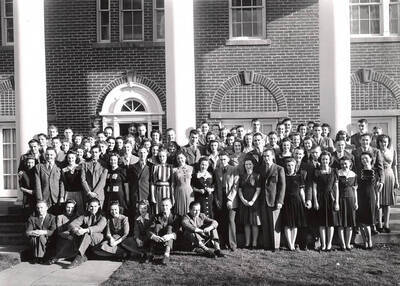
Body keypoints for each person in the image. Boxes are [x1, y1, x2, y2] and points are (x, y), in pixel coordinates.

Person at [312, 151, 340, 251]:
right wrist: (315, 201)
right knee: (322, 223)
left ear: (330, 160)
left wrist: (337, 202)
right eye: (323, 159)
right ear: (320, 160)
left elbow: (336, 188)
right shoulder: (317, 172)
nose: (325, 161)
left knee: (331, 223)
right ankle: (323, 244)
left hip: (331, 198)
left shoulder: (334, 171)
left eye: (327, 159)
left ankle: (329, 244)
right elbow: (314, 188)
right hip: (320, 198)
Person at [68, 198, 107, 268]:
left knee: (87, 234)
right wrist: (76, 230)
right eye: (91, 206)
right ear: (88, 207)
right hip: (89, 237)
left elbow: (99, 227)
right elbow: (72, 224)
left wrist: (85, 230)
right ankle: (83, 256)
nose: (93, 208)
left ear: (99, 206)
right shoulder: (85, 215)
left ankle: (78, 257)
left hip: (100, 238)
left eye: (95, 206)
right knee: (77, 233)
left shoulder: (103, 216)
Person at [259, 149, 286, 251]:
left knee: (275, 224)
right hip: (263, 200)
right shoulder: (261, 168)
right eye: (264, 156)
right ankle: (267, 245)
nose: (266, 158)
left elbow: (282, 186)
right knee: (265, 223)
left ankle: (275, 246)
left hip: (274, 200)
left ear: (273, 156)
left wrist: (280, 201)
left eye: (268, 156)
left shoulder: (279, 169)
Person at [214, 151, 239, 251]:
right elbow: (216, 186)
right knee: (223, 220)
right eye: (221, 159)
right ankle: (223, 243)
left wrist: (230, 199)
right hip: (221, 197)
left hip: (231, 197)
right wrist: (217, 200)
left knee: (230, 220)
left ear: (228, 159)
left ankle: (232, 244)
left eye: (224, 159)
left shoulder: (234, 169)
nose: (223, 161)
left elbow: (236, 185)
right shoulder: (217, 171)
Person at [357, 152, 382, 249]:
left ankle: (370, 241)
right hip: (360, 197)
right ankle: (365, 242)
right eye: (362, 159)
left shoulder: (375, 172)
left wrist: (378, 200)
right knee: (360, 222)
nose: (364, 160)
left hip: (371, 197)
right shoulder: (359, 171)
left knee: (367, 221)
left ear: (371, 159)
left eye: (366, 158)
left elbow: (377, 189)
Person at [282, 158, 307, 251]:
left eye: (292, 165)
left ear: (295, 166)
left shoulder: (299, 176)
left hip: (297, 201)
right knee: (288, 223)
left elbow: (301, 191)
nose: (290, 167)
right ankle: (290, 244)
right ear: (286, 166)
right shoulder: (284, 176)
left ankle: (293, 242)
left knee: (295, 224)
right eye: (288, 165)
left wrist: (304, 201)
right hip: (286, 201)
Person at [376, 135, 399, 233]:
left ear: (388, 142)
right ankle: (380, 224)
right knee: (380, 201)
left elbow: (394, 166)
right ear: (378, 142)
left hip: (389, 175)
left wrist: (397, 180)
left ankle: (386, 224)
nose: (383, 143)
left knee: (388, 202)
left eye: (385, 141)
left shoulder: (392, 151)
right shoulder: (376, 151)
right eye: (381, 141)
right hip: (379, 176)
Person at [238, 158, 261, 249]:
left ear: (253, 165)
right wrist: (243, 200)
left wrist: (252, 201)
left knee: (254, 223)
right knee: (246, 222)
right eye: (246, 164)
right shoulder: (242, 176)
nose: (248, 166)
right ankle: (247, 243)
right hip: (244, 201)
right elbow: (239, 190)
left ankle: (254, 243)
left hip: (254, 202)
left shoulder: (257, 176)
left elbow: (258, 190)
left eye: (250, 164)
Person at [148, 198, 179, 265]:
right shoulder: (156, 217)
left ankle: (166, 254)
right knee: (157, 226)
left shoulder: (176, 217)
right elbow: (149, 230)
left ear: (171, 205)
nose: (165, 207)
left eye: (166, 205)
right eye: (163, 205)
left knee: (169, 227)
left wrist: (169, 236)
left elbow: (178, 232)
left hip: (171, 243)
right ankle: (151, 252)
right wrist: (154, 237)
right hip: (158, 240)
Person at [47, 199, 79, 264]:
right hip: (63, 237)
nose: (70, 209)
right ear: (65, 207)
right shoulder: (60, 217)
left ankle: (56, 258)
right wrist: (67, 236)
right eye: (68, 207)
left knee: (72, 239)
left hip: (75, 237)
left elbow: (77, 228)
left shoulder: (77, 217)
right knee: (66, 241)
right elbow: (59, 231)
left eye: (72, 207)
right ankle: (60, 257)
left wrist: (72, 235)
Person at [35, 147, 65, 214]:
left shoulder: (60, 166)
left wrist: (61, 196)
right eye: (47, 155)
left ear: (55, 155)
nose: (49, 156)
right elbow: (38, 184)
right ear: (45, 155)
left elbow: (61, 183)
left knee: (57, 217)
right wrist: (40, 199)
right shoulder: (39, 167)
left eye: (51, 155)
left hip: (56, 197)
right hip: (44, 197)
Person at [337, 157, 358, 251]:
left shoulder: (354, 175)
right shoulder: (338, 173)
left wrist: (356, 202)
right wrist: (336, 201)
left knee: (349, 223)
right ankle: (343, 245)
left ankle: (348, 243)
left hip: (351, 199)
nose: (344, 166)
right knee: (341, 223)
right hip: (341, 199)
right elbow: (336, 189)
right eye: (342, 164)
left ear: (350, 163)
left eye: (345, 163)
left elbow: (355, 190)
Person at [150, 149, 174, 214]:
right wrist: (152, 196)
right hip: (158, 191)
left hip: (167, 191)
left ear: (166, 157)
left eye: (163, 156)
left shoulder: (170, 167)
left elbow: (172, 183)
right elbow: (152, 183)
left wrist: (172, 196)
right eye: (160, 156)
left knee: (167, 207)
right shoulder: (155, 167)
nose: (162, 158)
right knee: (158, 208)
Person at [172, 152, 194, 216]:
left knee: (189, 209)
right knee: (180, 210)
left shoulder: (191, 168)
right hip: (179, 191)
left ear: (185, 158)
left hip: (189, 191)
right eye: (178, 158)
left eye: (181, 158)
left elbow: (194, 181)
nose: (180, 160)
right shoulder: (174, 170)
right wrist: (172, 195)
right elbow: (173, 184)